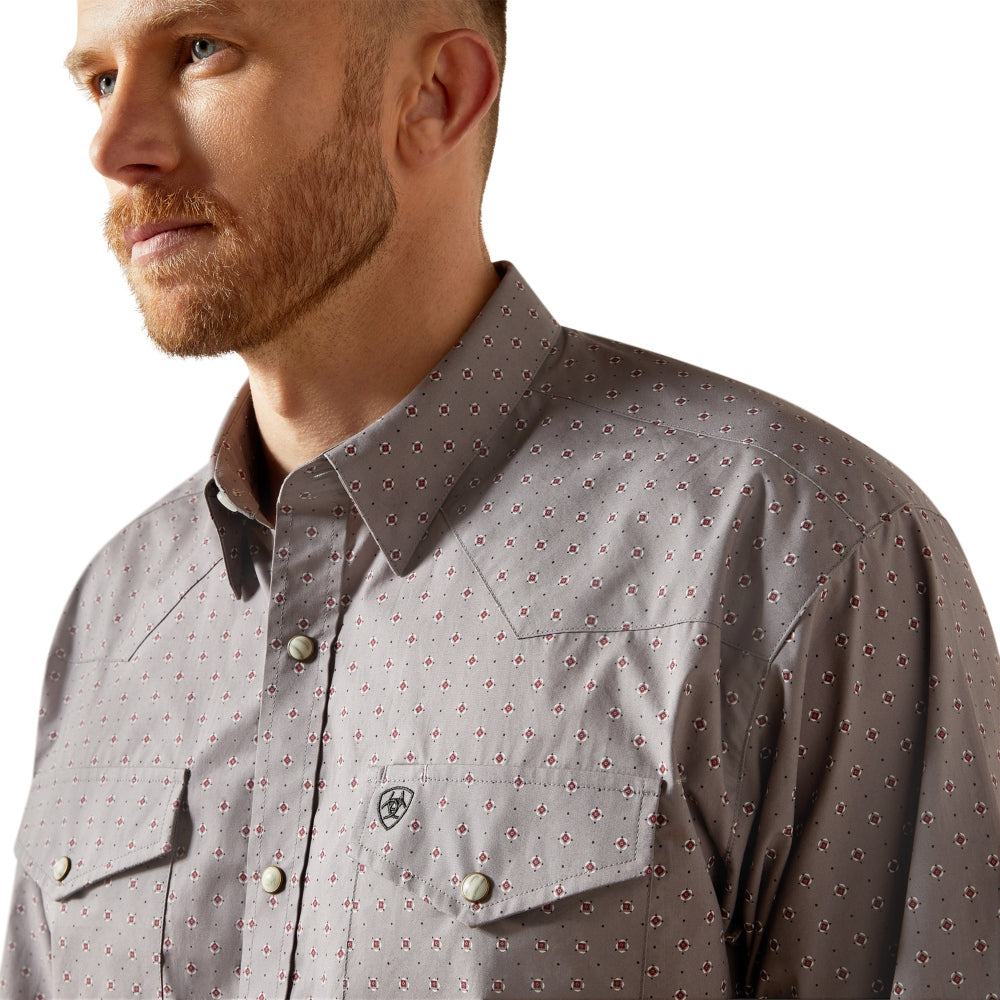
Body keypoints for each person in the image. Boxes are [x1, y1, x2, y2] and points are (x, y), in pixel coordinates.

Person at [2, 1, 997, 998]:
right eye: (100, 80)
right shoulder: (118, 610)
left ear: (436, 96)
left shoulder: (795, 550)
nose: (113, 146)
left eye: (201, 51)